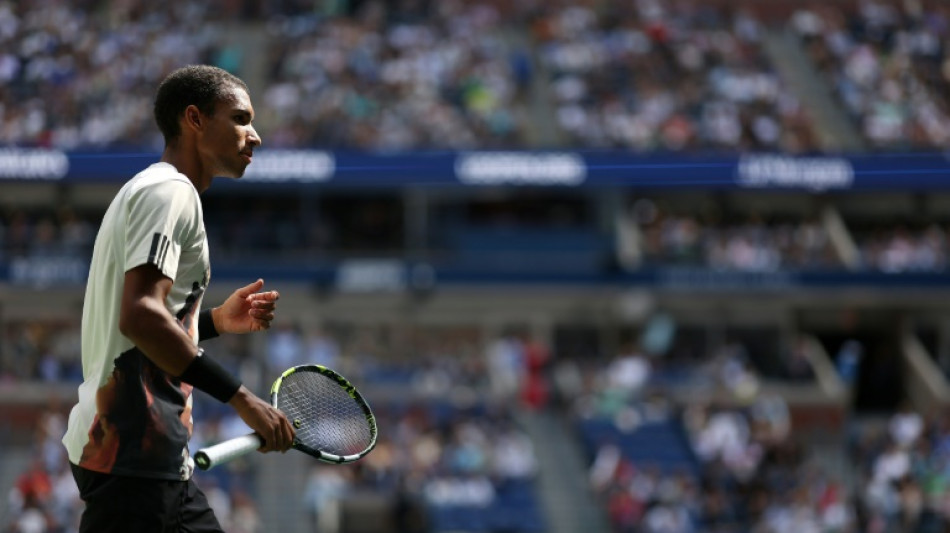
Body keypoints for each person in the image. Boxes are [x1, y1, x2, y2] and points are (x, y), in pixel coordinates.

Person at [61, 65, 296, 532]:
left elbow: (140, 323)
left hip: (148, 459)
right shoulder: (170, 191)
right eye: (240, 118)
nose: (255, 136)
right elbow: (140, 317)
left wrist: (211, 322)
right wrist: (242, 398)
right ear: (195, 119)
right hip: (132, 458)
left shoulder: (154, 190)